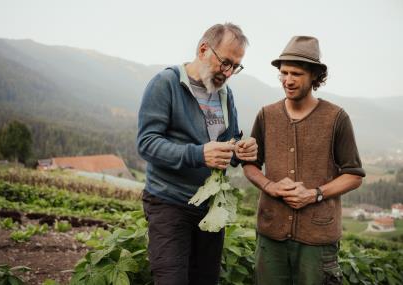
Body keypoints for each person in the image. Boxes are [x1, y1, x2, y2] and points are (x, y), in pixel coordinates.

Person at [137, 23, 258, 285]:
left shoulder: (226, 94)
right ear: (203, 49)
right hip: (170, 204)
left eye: (235, 66)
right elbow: (147, 143)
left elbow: (229, 141)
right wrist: (198, 154)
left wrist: (241, 150)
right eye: (225, 62)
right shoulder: (165, 83)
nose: (228, 73)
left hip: (211, 207)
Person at [243, 36, 366, 285]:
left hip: (317, 240)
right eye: (284, 73)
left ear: (314, 76)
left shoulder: (336, 118)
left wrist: (315, 194)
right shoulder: (266, 115)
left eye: (296, 73)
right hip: (270, 235)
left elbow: (353, 175)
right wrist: (270, 186)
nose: (288, 80)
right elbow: (250, 164)